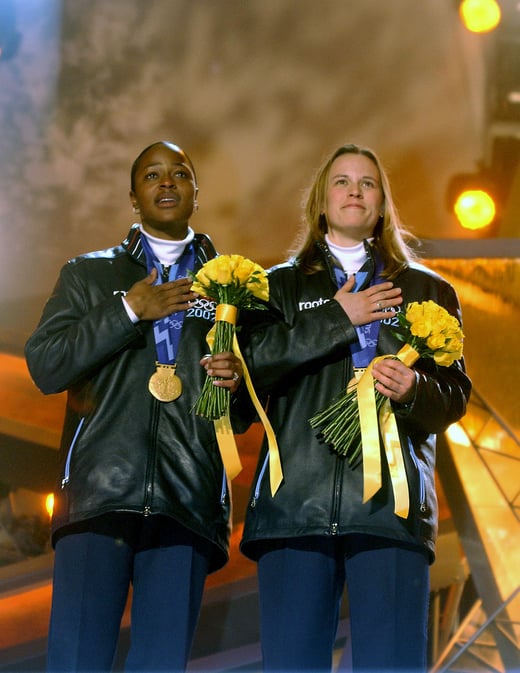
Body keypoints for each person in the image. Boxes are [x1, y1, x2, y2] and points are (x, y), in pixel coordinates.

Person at [237, 143, 472, 672]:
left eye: (367, 183)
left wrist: (413, 388)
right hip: (293, 505)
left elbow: (455, 396)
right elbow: (246, 375)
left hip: (392, 511)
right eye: (342, 181)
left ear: (382, 204)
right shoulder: (276, 286)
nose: (354, 191)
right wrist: (336, 319)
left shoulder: (428, 289)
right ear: (321, 200)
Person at [25, 140, 244, 672]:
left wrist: (240, 386)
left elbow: (246, 414)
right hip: (99, 494)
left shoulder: (235, 285)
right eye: (152, 175)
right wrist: (126, 310)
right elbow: (46, 365)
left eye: (179, 173)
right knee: (77, 661)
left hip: (186, 498)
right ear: (133, 197)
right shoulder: (89, 274)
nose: (166, 182)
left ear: (197, 192)